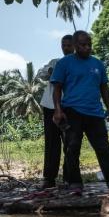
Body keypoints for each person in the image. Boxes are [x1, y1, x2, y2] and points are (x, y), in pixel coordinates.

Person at [51, 31, 109, 194]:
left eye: (89, 44)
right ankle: (75, 183)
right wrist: (57, 110)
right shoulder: (64, 63)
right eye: (83, 45)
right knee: (72, 147)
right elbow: (57, 89)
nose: (87, 47)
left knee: (103, 147)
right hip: (72, 110)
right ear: (75, 46)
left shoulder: (98, 64)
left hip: (95, 113)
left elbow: (104, 88)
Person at [36, 34, 74, 190]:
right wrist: (50, 71)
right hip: (50, 107)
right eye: (63, 45)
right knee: (52, 143)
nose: (65, 48)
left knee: (70, 143)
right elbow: (40, 74)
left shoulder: (78, 64)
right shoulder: (55, 62)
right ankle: (49, 178)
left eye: (68, 45)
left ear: (74, 46)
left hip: (70, 107)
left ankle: (69, 177)